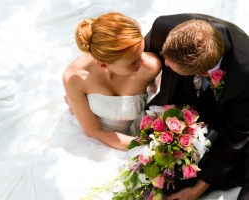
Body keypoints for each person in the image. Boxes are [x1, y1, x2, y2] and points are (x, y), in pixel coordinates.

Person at [144, 13, 249, 200]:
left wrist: (197, 191)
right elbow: (135, 53)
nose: (164, 63)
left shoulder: (244, 77)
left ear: (201, 72)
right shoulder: (165, 28)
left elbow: (235, 138)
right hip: (179, 105)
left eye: (170, 63)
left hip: (224, 118)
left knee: (177, 181)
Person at [62, 12, 161, 150]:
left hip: (135, 134)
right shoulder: (75, 77)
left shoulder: (150, 66)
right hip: (93, 140)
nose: (142, 61)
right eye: (133, 62)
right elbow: (94, 132)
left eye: (142, 51)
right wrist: (146, 146)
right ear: (103, 64)